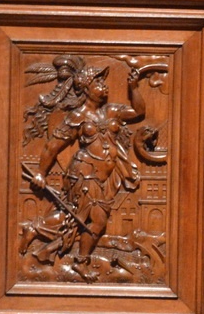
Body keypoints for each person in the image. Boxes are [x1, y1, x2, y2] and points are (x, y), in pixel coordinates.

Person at [28, 61, 146, 276]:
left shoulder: (112, 111)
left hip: (106, 178)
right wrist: (41, 173)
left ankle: (37, 235)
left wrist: (134, 88)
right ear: (86, 88)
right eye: (98, 82)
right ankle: (79, 262)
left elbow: (138, 111)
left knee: (74, 218)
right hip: (84, 173)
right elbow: (52, 146)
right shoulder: (77, 117)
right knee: (95, 219)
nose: (104, 85)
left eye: (103, 81)